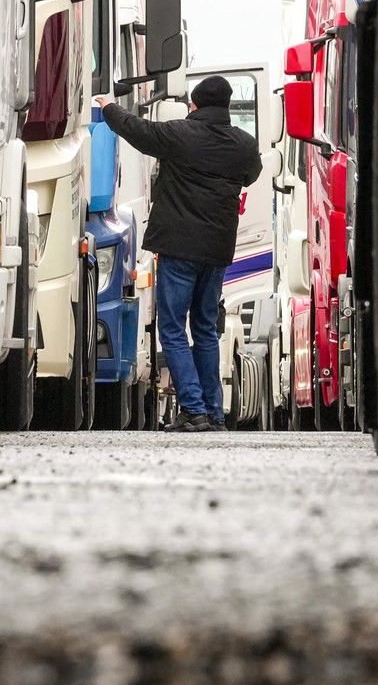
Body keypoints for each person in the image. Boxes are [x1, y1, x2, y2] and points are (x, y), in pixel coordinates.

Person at [95, 76, 262, 433]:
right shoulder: (244, 145)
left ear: (195, 105)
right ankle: (214, 414)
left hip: (178, 247)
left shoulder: (179, 134)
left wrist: (107, 107)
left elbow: (136, 130)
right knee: (205, 328)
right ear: (228, 106)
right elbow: (251, 175)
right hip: (216, 250)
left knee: (172, 327)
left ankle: (193, 409)